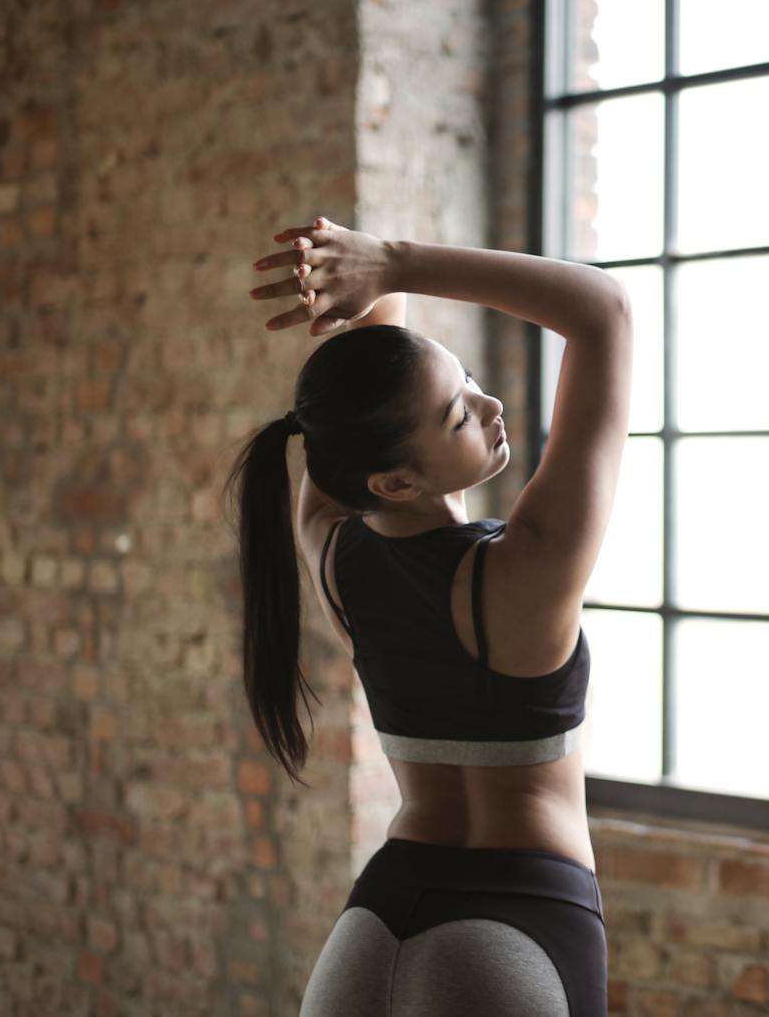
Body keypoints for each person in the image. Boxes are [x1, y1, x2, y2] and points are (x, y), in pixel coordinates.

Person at [222, 216, 632, 1015]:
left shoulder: (332, 551)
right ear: (394, 483)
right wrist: (393, 260)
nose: (491, 404)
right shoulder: (531, 566)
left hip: (377, 923)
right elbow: (604, 310)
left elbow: (380, 350)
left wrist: (377, 275)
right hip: (516, 930)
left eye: (469, 379)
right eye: (456, 415)